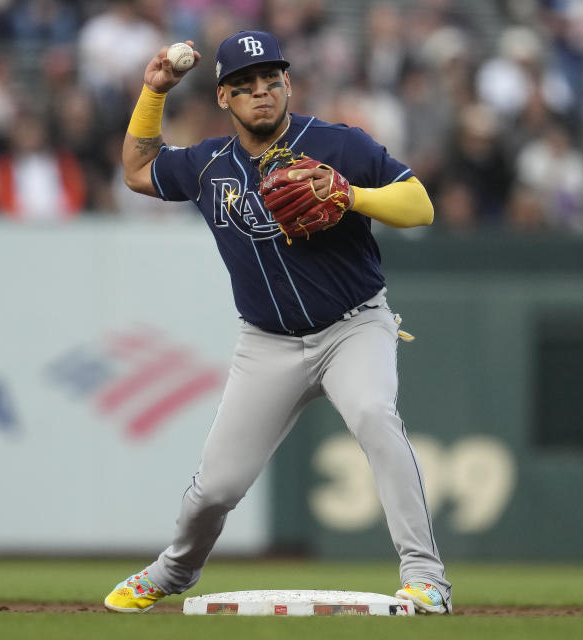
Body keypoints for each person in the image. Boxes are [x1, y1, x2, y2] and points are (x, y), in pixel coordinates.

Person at [102, 30, 452, 615]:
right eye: (244, 85)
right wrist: (153, 92)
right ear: (223, 99)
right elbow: (138, 170)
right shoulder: (209, 164)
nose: (260, 92)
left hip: (353, 327)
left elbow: (420, 206)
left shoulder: (337, 144)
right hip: (267, 344)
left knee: (373, 415)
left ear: (288, 83)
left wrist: (350, 195)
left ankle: (427, 578)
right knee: (216, 487)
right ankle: (174, 570)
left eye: (271, 80)